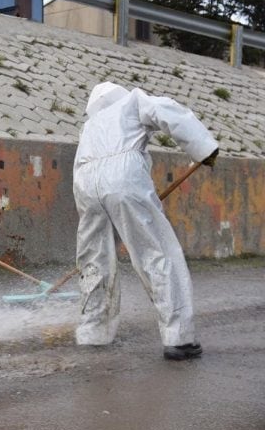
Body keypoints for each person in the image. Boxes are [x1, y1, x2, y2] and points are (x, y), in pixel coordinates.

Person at [72, 81, 219, 361]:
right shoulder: (132, 102)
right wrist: (204, 148)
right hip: (123, 176)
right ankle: (179, 339)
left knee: (94, 257)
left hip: (85, 184)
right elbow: (168, 111)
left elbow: (81, 168)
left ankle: (94, 332)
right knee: (156, 252)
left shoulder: (89, 127)